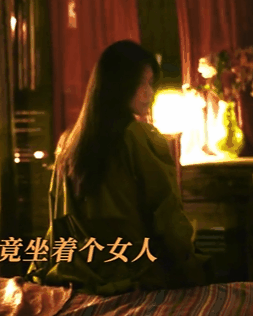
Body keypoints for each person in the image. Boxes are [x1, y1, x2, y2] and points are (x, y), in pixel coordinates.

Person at [26, 40, 213, 296]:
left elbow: (57, 226)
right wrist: (190, 268)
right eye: (144, 83)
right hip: (135, 273)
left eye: (151, 84)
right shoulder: (139, 137)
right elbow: (167, 216)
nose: (149, 93)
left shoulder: (70, 142)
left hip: (79, 274)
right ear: (121, 86)